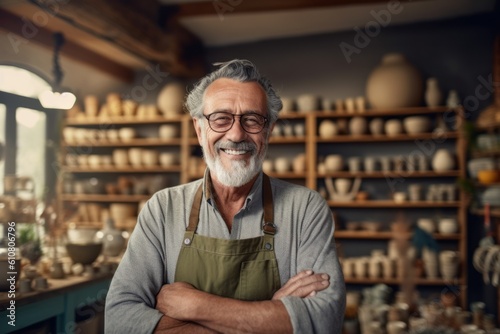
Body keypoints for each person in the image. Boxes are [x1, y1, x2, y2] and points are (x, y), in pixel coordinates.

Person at [105, 59, 346, 333]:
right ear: (199, 130)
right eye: (220, 118)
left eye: (252, 119)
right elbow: (119, 320)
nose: (235, 134)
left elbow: (325, 321)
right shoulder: (163, 209)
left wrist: (195, 306)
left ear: (268, 132)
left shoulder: (305, 209)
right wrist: (271, 312)